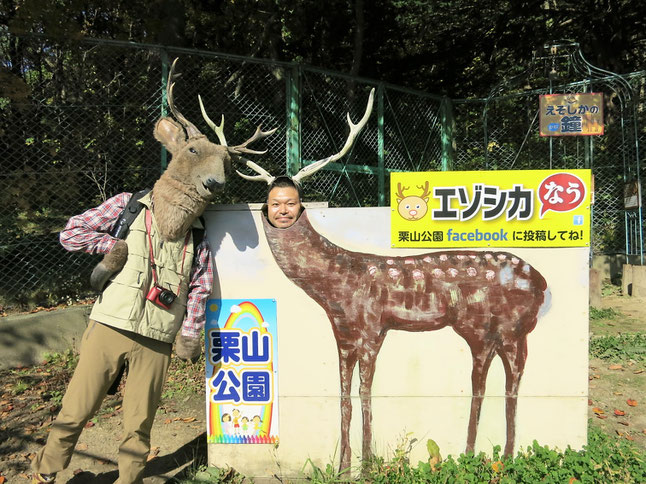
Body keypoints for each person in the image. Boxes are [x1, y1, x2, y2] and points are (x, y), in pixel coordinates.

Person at [30, 191, 212, 484]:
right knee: (77, 405)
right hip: (110, 324)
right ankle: (48, 465)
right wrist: (113, 245)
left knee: (139, 420)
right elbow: (71, 234)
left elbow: (201, 285)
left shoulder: (198, 229)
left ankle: (130, 479)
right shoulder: (132, 203)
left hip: (157, 336)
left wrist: (190, 332)